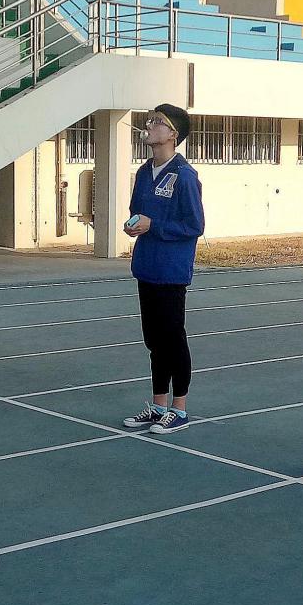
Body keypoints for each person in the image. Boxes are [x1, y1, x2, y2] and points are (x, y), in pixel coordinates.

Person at [121, 104, 205, 435]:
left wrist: (153, 225)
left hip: (171, 270)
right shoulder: (144, 172)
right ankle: (158, 405)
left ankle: (179, 408)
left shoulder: (185, 176)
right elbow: (137, 211)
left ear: (173, 134)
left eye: (158, 122)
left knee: (172, 338)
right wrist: (134, 224)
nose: (150, 125)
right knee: (154, 340)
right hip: (147, 267)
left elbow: (194, 225)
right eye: (150, 120)